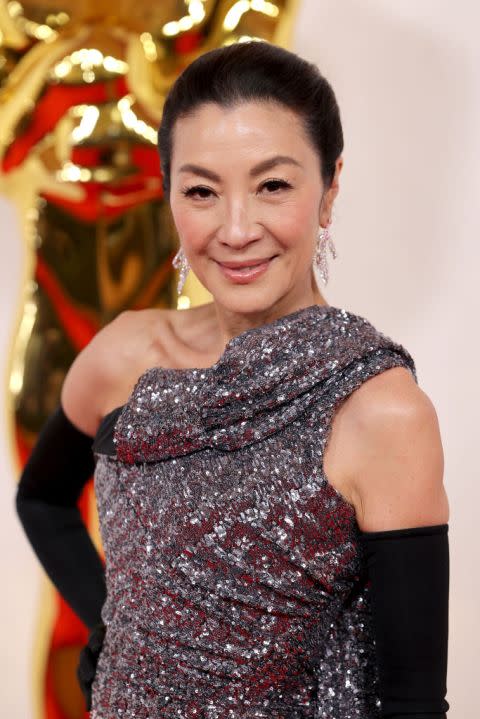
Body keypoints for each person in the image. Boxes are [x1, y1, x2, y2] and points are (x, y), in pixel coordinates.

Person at [16, 41, 450, 718]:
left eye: (273, 185)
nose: (237, 229)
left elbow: (414, 703)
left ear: (330, 189)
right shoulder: (124, 353)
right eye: (201, 191)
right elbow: (42, 500)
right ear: (168, 195)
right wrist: (117, 625)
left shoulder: (380, 411)